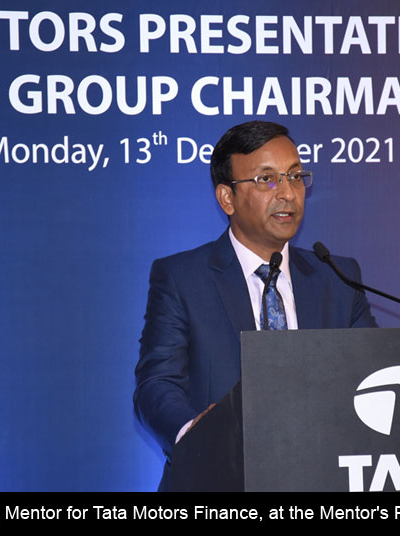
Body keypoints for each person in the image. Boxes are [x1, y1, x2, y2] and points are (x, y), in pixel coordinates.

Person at [134, 121, 377, 490]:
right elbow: (156, 385)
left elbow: (371, 375)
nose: (288, 193)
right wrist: (195, 433)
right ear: (227, 198)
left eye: (295, 177)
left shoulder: (337, 278)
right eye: (267, 180)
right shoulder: (182, 278)